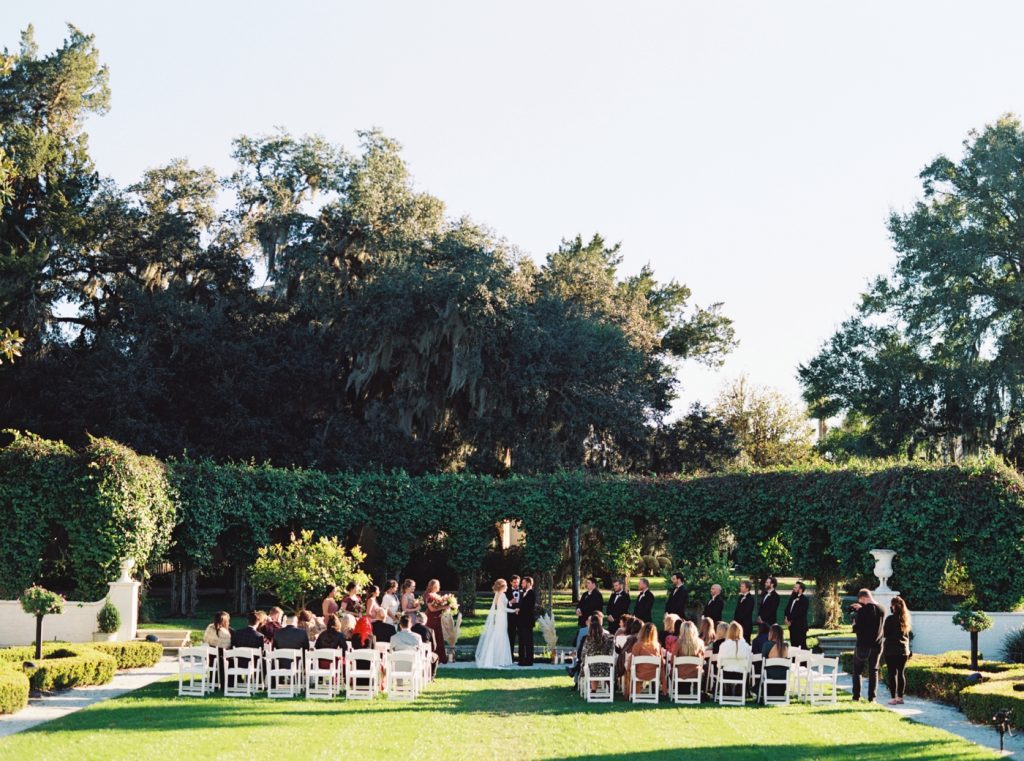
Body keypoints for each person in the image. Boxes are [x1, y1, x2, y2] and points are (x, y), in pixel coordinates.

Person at [850, 588, 886, 702]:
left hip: (863, 645)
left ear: (864, 598)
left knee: (857, 671)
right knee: (873, 671)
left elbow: (859, 628)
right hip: (877, 644)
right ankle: (872, 698)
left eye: (861, 601)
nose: (861, 603)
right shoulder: (882, 609)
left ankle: (856, 696)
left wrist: (854, 624)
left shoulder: (863, 610)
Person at [475, 579, 513, 668]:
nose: (507, 587)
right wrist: (514, 610)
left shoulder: (497, 594)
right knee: (501, 636)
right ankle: (500, 659)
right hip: (502, 617)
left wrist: (510, 603)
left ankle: (496, 658)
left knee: (498, 635)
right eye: (506, 586)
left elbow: (502, 605)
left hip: (499, 617)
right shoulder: (502, 595)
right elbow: (504, 608)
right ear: (502, 587)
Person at [883, 596, 912, 705]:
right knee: (901, 674)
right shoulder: (905, 620)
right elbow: (908, 637)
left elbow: (885, 634)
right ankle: (900, 697)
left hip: (891, 650)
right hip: (903, 650)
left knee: (892, 674)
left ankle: (893, 698)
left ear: (894, 607)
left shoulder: (890, 619)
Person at [667, 619, 705, 696]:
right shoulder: (700, 643)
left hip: (679, 673)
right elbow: (702, 659)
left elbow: (672, 660)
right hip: (695, 673)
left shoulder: (678, 643)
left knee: (671, 670)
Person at [625, 622, 662, 699]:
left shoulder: (638, 645)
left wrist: (628, 667)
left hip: (639, 674)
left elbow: (632, 661)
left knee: (630, 668)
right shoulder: (657, 646)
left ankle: (631, 693)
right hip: (654, 674)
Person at [579, 615, 614, 692]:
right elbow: (611, 654)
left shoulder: (588, 640)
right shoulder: (609, 639)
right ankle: (609, 686)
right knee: (601, 666)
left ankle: (593, 690)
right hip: (605, 669)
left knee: (591, 666)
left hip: (591, 670)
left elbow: (583, 655)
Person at [718, 621, 752, 696]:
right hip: (741, 674)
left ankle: (727, 692)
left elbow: (719, 663)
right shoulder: (745, 646)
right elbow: (749, 663)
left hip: (727, 674)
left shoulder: (724, 645)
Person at [423, 579, 449, 664]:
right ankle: (432, 657)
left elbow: (439, 607)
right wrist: (443, 607)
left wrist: (446, 607)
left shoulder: (436, 595)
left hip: (437, 618)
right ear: (433, 586)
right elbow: (432, 609)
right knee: (434, 635)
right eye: (437, 585)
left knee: (439, 636)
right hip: (431, 618)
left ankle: (440, 657)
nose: (439, 587)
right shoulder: (429, 595)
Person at [761, 623, 789, 700]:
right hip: (783, 676)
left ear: (772, 633)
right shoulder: (786, 645)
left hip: (770, 675)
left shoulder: (767, 645)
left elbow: (763, 659)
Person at [516, 576, 537, 666]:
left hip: (527, 621)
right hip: (522, 621)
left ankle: (528, 660)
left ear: (528, 583)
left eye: (523, 583)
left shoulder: (531, 593)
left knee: (528, 641)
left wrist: (519, 610)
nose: (522, 584)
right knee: (522, 641)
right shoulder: (524, 593)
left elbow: (528, 608)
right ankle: (521, 659)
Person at [784, 582, 809, 648]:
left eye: (795, 587)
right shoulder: (792, 598)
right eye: (794, 587)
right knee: (793, 645)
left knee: (801, 646)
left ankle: (803, 658)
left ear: (800, 590)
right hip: (792, 626)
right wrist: (786, 618)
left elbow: (799, 613)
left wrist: (790, 620)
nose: (793, 588)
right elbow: (787, 609)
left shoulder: (804, 600)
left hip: (800, 626)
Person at [507, 575, 521, 658]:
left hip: (521, 618)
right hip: (510, 618)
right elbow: (503, 604)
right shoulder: (506, 591)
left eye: (518, 582)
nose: (516, 584)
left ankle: (521, 656)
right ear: (511, 582)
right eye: (514, 582)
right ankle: (510, 656)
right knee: (510, 637)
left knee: (521, 638)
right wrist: (510, 603)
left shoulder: (523, 591)